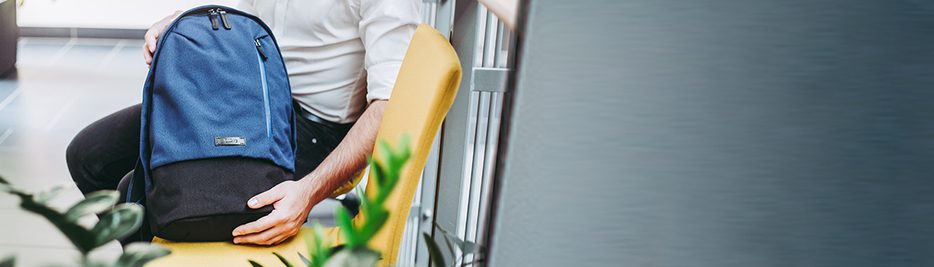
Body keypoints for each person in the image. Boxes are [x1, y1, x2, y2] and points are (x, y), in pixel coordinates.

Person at [66, 0, 420, 245]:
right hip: (243, 92)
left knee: (140, 190)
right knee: (89, 156)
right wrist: (181, 20)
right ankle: (163, 255)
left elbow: (389, 107)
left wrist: (309, 192)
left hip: (311, 128)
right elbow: (239, 12)